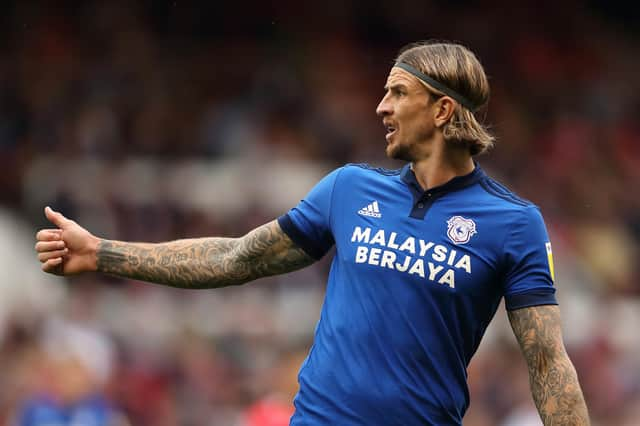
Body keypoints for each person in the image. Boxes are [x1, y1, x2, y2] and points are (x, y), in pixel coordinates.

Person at [35, 41, 590, 425]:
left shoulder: (514, 223)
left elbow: (547, 363)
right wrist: (103, 252)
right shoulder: (348, 189)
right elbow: (236, 258)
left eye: (398, 93)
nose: (382, 106)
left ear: (443, 109)